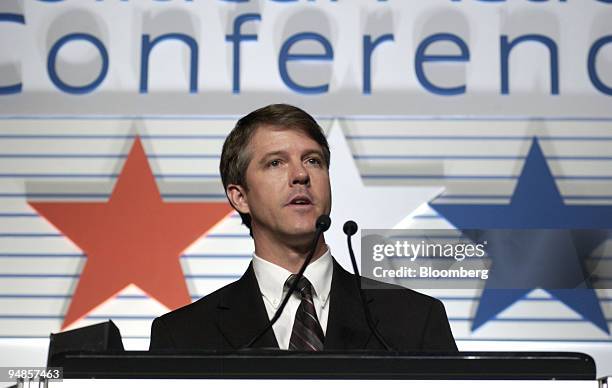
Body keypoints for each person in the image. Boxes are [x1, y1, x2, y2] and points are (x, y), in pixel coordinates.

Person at [149, 104, 457, 351]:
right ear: (240, 197)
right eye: (275, 163)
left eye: (313, 160)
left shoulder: (415, 320)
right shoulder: (183, 336)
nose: (300, 175)